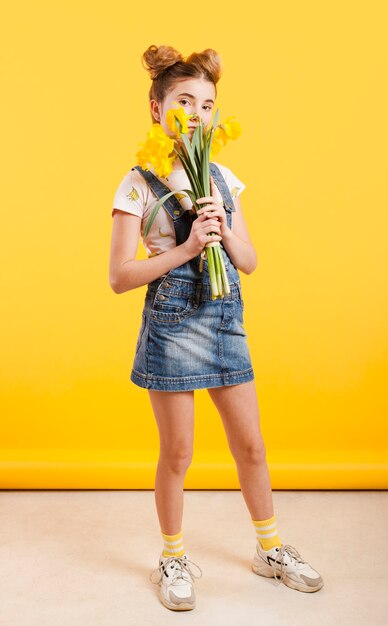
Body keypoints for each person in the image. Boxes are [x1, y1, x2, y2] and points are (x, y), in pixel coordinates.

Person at [109, 44, 323, 612]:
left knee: (251, 447)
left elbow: (249, 262)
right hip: (172, 327)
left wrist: (224, 232)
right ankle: (173, 558)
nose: (197, 113)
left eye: (207, 103)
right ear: (157, 109)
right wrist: (183, 249)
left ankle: (270, 549)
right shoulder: (138, 183)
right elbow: (119, 277)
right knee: (178, 453)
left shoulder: (223, 177)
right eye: (184, 101)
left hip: (226, 322)